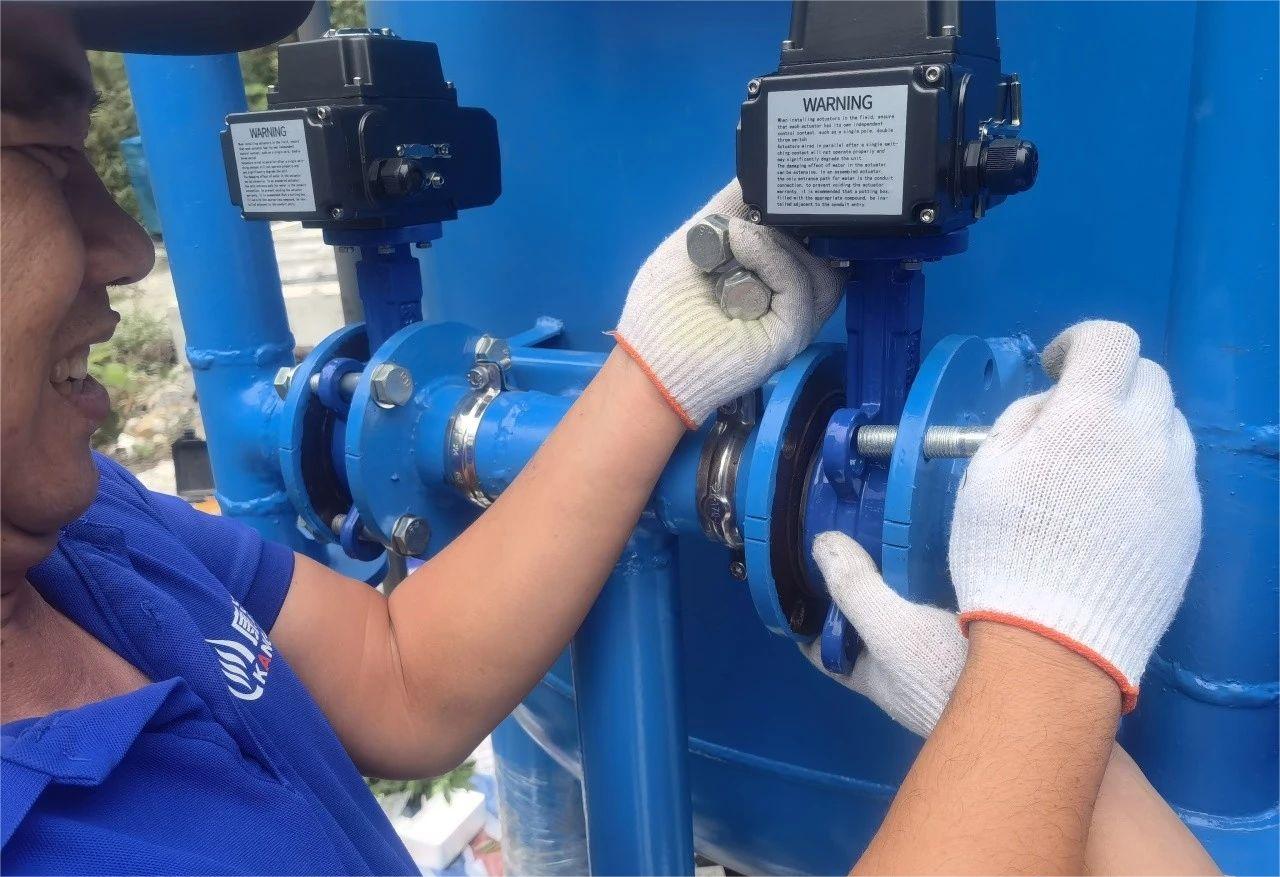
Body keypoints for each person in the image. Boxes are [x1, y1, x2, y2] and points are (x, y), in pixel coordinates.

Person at [0, 2, 1215, 874]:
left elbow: (396, 672)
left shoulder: (74, 526)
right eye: (47, 156)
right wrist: (1050, 660)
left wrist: (652, 377)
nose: (128, 247)